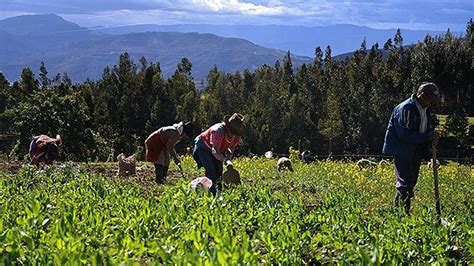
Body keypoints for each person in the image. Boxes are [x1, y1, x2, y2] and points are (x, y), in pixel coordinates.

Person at [382, 82, 440, 214]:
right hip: (402, 150)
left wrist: (430, 156)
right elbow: (404, 134)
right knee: (405, 183)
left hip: (415, 151)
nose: (433, 103)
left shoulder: (427, 110)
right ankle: (402, 214)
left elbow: (425, 134)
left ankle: (399, 212)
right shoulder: (406, 108)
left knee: (410, 182)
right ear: (422, 95)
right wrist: (428, 136)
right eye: (431, 99)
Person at [193, 113, 244, 195]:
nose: (233, 134)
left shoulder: (236, 137)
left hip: (219, 150)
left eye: (235, 132)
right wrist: (224, 159)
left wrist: (228, 157)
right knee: (210, 170)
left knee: (219, 172)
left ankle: (219, 192)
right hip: (204, 146)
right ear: (227, 127)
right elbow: (215, 150)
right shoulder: (218, 131)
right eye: (232, 131)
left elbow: (231, 148)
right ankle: (212, 193)